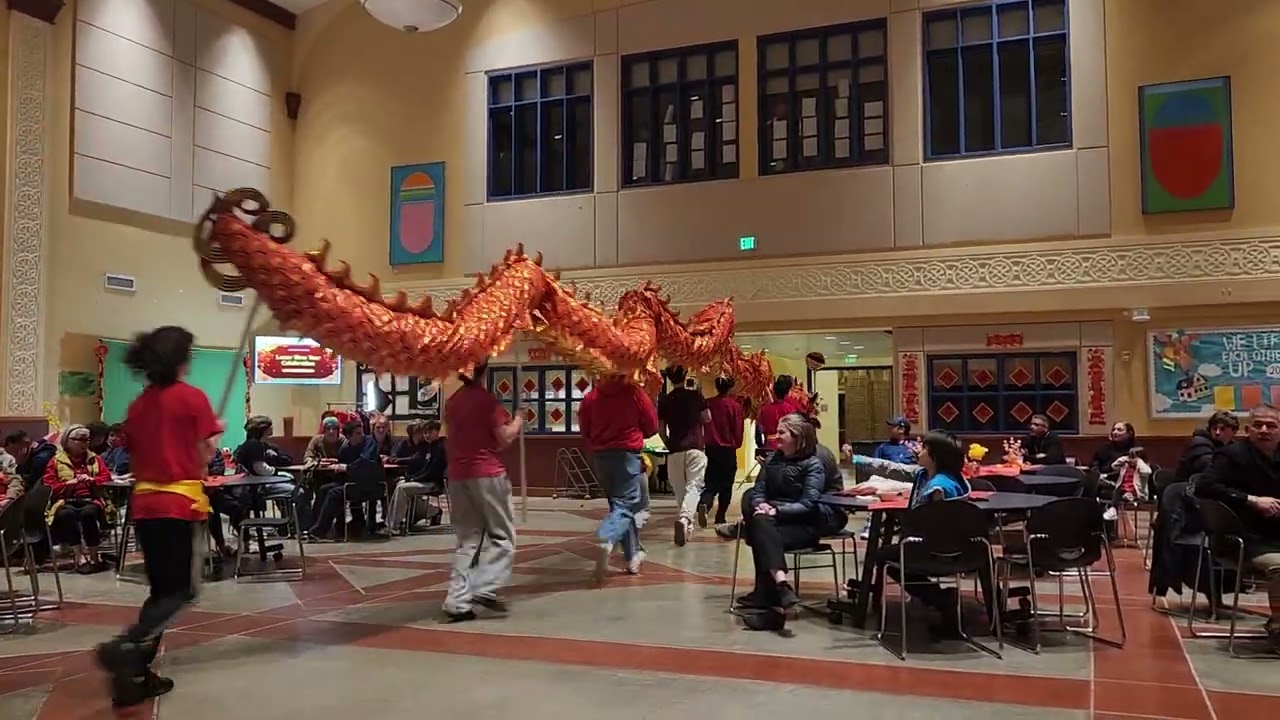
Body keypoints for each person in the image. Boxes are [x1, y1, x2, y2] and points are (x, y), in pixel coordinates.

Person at [94, 326, 223, 708]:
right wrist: (212, 440)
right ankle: (126, 645)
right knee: (182, 591)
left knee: (162, 591)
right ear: (180, 359)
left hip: (146, 507)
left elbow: (139, 450)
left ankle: (133, 677)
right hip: (178, 505)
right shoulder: (192, 398)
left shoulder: (138, 405)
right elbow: (204, 455)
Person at [737, 414, 847, 631]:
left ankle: (772, 604)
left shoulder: (816, 460)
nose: (775, 437)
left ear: (797, 437)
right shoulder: (773, 459)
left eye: (781, 433)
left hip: (810, 520)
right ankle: (781, 587)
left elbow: (809, 502)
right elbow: (759, 490)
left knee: (760, 531)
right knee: (759, 518)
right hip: (779, 518)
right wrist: (763, 505)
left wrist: (775, 509)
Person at [1194, 403, 1280, 650]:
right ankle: (1278, 630)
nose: (1264, 430)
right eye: (1258, 425)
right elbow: (1204, 487)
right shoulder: (1232, 456)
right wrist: (1252, 500)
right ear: (1247, 429)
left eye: (1271, 425)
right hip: (1244, 537)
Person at [443, 361, 523, 622]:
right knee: (503, 537)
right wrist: (519, 419)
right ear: (484, 372)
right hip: (488, 474)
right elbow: (504, 438)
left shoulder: (452, 402)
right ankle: (483, 587)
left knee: (468, 540)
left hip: (457, 475)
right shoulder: (488, 402)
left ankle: (457, 600)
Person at [875, 430, 975, 634]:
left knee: (882, 555)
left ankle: (939, 598)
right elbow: (894, 469)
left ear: (934, 455)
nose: (918, 451)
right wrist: (858, 460)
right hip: (961, 548)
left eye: (923, 448)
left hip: (932, 548)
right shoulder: (928, 475)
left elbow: (933, 519)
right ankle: (941, 599)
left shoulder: (938, 487)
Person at [579, 374, 659, 582]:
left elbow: (584, 430)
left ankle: (632, 557)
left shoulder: (591, 398)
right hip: (627, 456)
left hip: (600, 458)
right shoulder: (634, 394)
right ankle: (607, 538)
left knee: (619, 506)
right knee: (626, 504)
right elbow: (652, 426)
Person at [42, 424, 112, 573]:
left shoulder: (95, 459)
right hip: (65, 500)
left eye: (87, 440)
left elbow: (106, 478)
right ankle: (78, 554)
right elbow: (49, 485)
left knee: (88, 514)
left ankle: (94, 555)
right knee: (67, 515)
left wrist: (92, 480)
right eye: (80, 440)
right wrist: (68, 484)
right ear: (68, 441)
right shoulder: (56, 461)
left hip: (91, 499)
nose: (84, 443)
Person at [657, 365, 710, 545]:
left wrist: (668, 443)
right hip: (695, 447)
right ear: (686, 374)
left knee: (680, 490)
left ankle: (687, 527)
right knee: (693, 487)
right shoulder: (696, 396)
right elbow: (707, 418)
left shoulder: (665, 400)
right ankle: (686, 519)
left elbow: (661, 429)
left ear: (669, 378)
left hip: (675, 449)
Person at [307, 420, 380, 540]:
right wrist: (336, 467)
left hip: (369, 484)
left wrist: (346, 467)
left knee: (335, 493)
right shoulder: (346, 449)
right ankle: (317, 525)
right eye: (357, 433)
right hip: (352, 482)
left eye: (361, 432)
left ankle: (319, 530)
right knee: (324, 489)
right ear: (349, 436)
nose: (361, 435)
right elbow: (342, 466)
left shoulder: (369, 442)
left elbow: (365, 463)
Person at [387, 420, 447, 534]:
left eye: (430, 432)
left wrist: (412, 479)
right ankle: (391, 523)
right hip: (424, 480)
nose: (427, 435)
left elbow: (431, 472)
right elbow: (420, 466)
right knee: (399, 484)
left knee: (402, 489)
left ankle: (394, 526)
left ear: (437, 432)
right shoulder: (427, 447)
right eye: (425, 433)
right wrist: (409, 478)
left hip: (433, 483)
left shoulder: (440, 448)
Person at [701, 376, 745, 526]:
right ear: (731, 387)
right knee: (726, 484)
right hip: (727, 449)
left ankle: (705, 504)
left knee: (710, 481)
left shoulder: (708, 403)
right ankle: (720, 515)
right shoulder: (735, 406)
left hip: (711, 448)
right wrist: (736, 443)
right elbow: (738, 429)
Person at [1176, 410, 1239, 483]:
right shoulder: (1199, 442)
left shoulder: (1232, 446)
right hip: (1187, 488)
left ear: (1234, 432)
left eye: (1222, 429)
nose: (1217, 433)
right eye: (1214, 429)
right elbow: (1209, 468)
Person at [754, 376, 800, 456]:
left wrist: (761, 446)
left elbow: (758, 430)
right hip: (786, 446)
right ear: (787, 392)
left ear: (774, 392)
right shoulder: (790, 409)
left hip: (769, 446)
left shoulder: (765, 409)